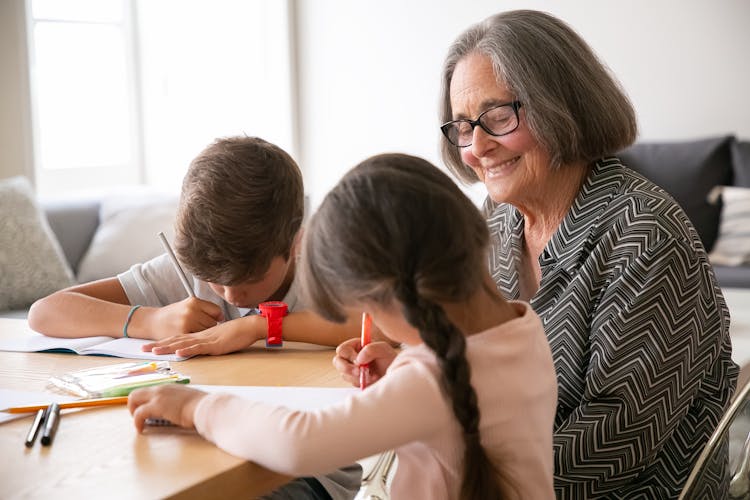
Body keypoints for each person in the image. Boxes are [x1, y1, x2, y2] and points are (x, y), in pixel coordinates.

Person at [338, 9, 738, 499]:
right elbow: (481, 361)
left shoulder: (646, 233)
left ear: (559, 104)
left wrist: (465, 467)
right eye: (463, 127)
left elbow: (613, 443)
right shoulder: (496, 220)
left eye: (498, 117)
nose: (477, 147)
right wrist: (411, 369)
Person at [128, 153, 559, 500]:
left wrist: (195, 407)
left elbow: (300, 443)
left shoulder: (432, 383)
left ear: (397, 296)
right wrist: (400, 367)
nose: (367, 323)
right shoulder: (523, 327)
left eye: (366, 310)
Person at [28, 136, 363, 500]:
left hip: (306, 471)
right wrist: (151, 320)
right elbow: (45, 312)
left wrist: (258, 326)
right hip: (203, 456)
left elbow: (380, 324)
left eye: (248, 280)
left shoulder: (322, 261)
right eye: (215, 281)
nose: (232, 295)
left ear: (295, 242)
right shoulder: (188, 271)